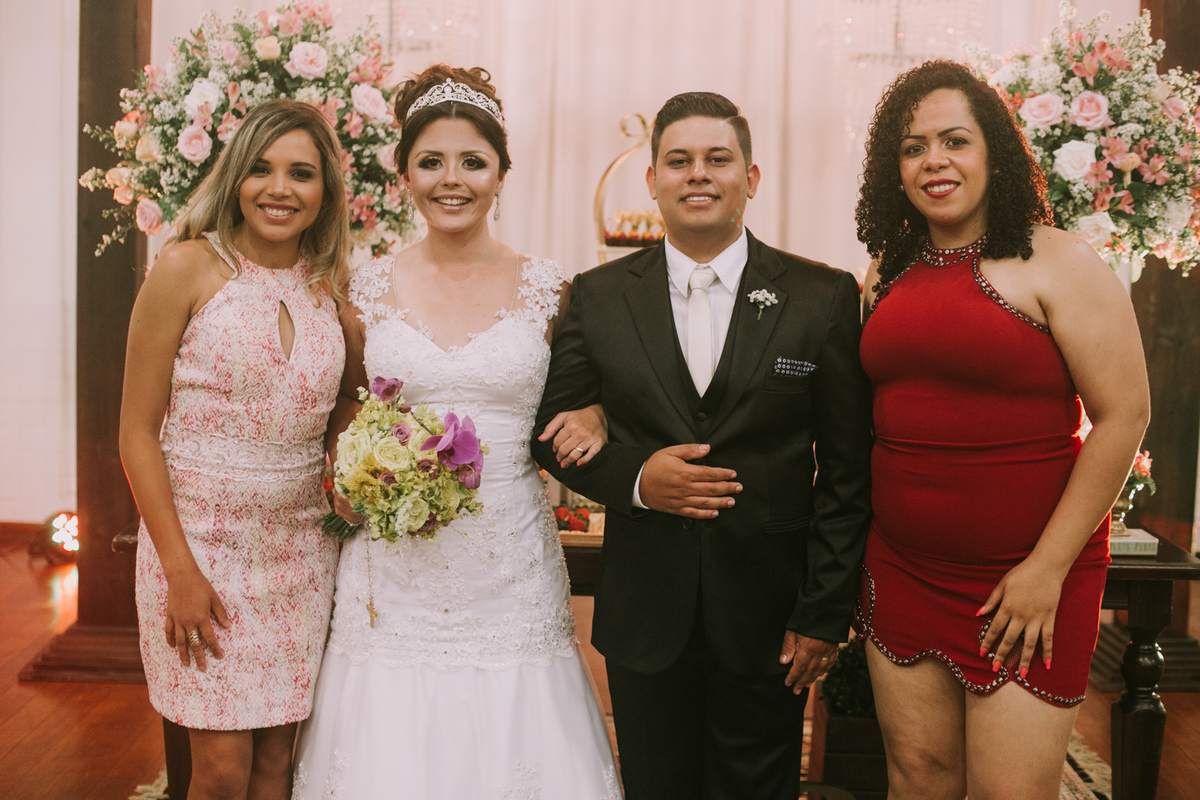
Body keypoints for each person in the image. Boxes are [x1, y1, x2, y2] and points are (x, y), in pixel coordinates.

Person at [532, 92, 874, 800]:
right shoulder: (596, 296)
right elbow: (551, 433)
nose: (697, 174)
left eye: (718, 159)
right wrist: (637, 479)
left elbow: (848, 472)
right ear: (652, 180)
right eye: (678, 160)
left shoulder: (822, 296)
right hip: (646, 613)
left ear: (750, 178)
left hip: (771, 615)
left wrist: (822, 613)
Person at [291, 65, 621, 799]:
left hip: (508, 558)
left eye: (473, 161)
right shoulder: (363, 287)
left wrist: (596, 412)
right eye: (431, 161)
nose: (452, 180)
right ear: (404, 174)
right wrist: (349, 472)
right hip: (392, 561)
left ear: (501, 173)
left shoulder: (551, 289)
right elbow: (345, 403)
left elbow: (587, 391)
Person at [854, 60, 1151, 800]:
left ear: (996, 152)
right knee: (917, 778)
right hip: (900, 567)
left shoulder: (1061, 261)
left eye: (955, 140)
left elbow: (1125, 416)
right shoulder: (886, 270)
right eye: (914, 148)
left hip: (1029, 579)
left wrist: (1046, 570)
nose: (935, 161)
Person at [120, 99, 349, 800]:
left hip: (301, 552)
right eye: (261, 169)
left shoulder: (332, 283)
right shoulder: (185, 268)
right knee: (221, 772)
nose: (280, 189)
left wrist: (356, 475)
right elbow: (136, 434)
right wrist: (180, 571)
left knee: (277, 763)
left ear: (325, 190)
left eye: (301, 173)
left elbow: (342, 411)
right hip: (199, 549)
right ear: (235, 178)